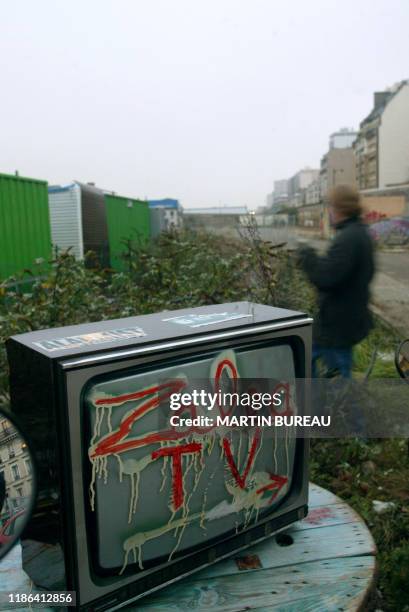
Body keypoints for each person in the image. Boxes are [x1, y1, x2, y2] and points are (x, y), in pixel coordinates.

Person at [298, 184, 375, 378]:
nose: (329, 212)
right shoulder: (359, 233)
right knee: (321, 362)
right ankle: (330, 400)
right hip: (345, 319)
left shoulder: (348, 238)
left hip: (338, 324)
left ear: (340, 209)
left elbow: (326, 278)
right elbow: (341, 271)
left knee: (333, 373)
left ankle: (334, 404)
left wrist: (308, 257)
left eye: (331, 207)